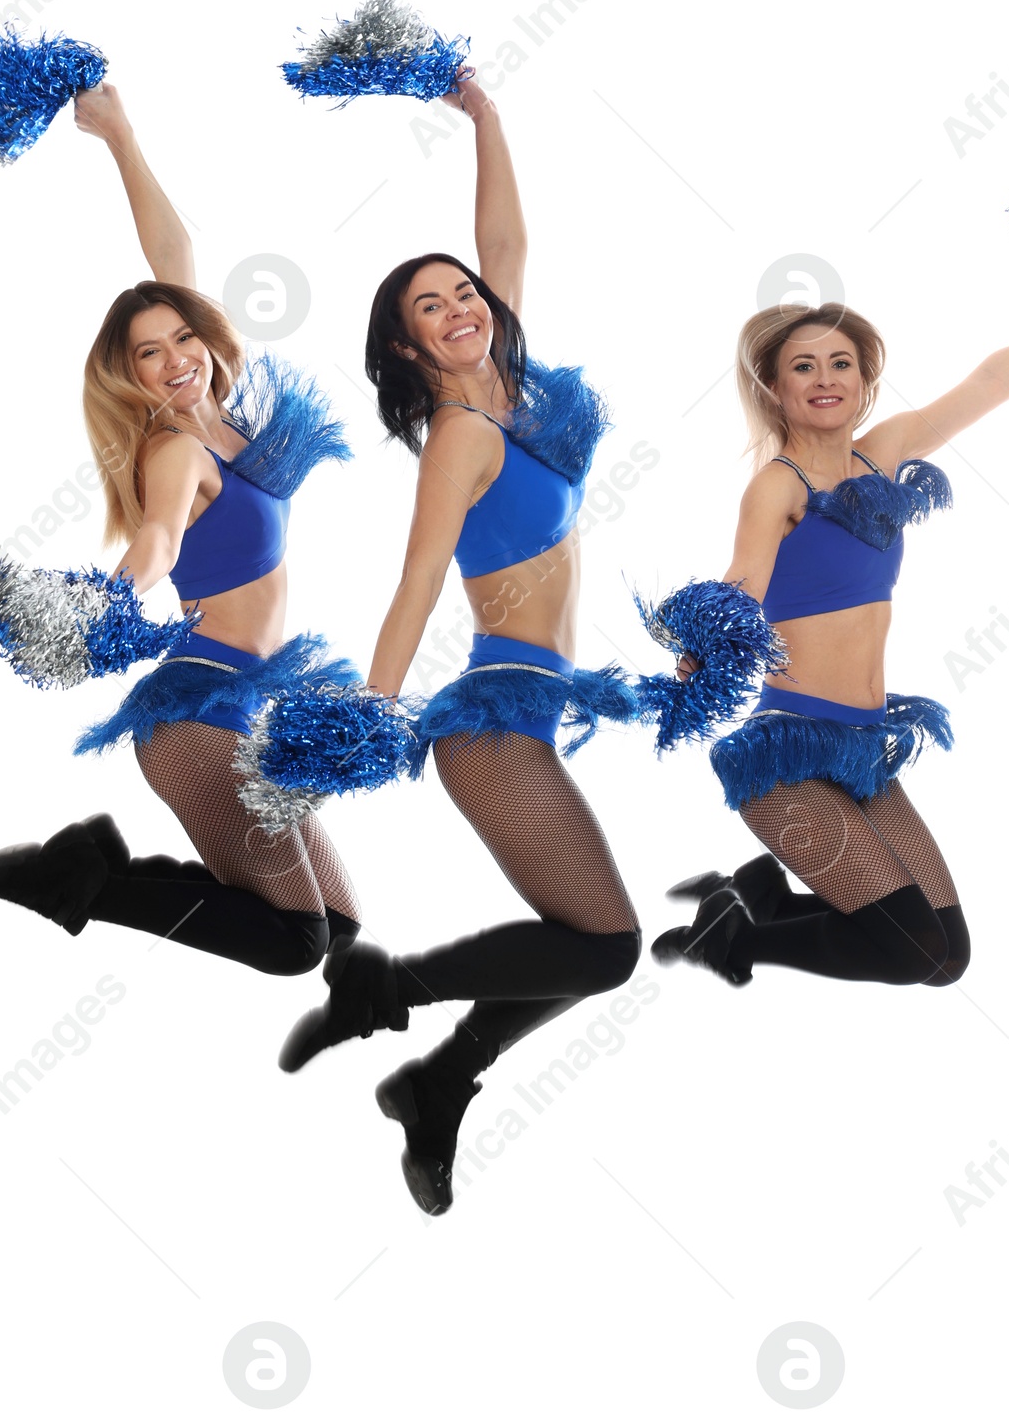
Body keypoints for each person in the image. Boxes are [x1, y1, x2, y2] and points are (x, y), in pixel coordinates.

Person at [277, 71, 642, 1215]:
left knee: (584, 944)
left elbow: (503, 241)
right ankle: (391, 995)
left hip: (536, 710)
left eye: (460, 294)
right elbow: (416, 582)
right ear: (406, 346)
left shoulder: (516, 388)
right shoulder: (459, 433)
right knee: (607, 947)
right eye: (427, 308)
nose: (458, 308)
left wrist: (484, 117)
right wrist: (371, 715)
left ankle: (436, 1084)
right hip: (490, 722)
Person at [0, 82, 362, 976]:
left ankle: (99, 863)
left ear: (209, 340)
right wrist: (113, 596)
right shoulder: (176, 449)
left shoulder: (234, 425)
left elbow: (174, 255)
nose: (174, 360)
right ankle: (75, 881)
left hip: (251, 701)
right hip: (198, 710)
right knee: (297, 945)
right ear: (131, 374)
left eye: (183, 339)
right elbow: (161, 543)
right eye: (149, 353)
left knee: (341, 928)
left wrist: (119, 133)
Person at [654, 274, 1009, 988]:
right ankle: (731, 935)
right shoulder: (777, 485)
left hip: (864, 750)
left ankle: (761, 898)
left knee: (947, 958)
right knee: (912, 951)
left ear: (865, 381)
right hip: (791, 758)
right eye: (803, 366)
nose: (825, 378)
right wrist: (705, 645)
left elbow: (990, 383)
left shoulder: (884, 450)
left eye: (841, 363)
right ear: (775, 388)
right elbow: (742, 582)